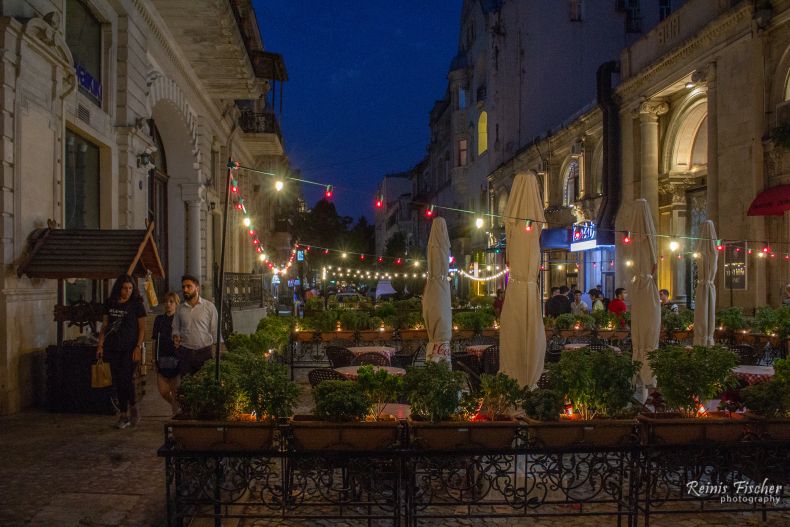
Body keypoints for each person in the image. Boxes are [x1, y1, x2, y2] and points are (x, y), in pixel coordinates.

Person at [96, 274, 146, 429]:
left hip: (130, 348)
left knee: (126, 379)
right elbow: (105, 326)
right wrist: (100, 345)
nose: (128, 291)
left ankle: (133, 407)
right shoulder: (110, 303)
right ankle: (124, 414)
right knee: (118, 380)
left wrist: (138, 346)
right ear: (119, 288)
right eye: (125, 288)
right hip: (113, 347)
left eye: (130, 288)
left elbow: (142, 328)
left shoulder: (137, 304)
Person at [172, 274, 218, 377]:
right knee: (186, 386)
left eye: (189, 286)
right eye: (183, 287)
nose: (185, 289)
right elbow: (175, 328)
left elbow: (215, 331)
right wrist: (176, 336)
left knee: (204, 386)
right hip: (185, 353)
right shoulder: (180, 309)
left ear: (197, 288)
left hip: (204, 353)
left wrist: (218, 353)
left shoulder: (209, 307)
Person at [153, 292, 181, 416]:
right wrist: (154, 359)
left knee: (175, 391)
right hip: (162, 359)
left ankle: (176, 416)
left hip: (176, 359)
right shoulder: (159, 319)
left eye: (171, 302)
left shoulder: (179, 320)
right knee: (163, 391)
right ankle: (178, 407)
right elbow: (155, 340)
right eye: (167, 302)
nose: (168, 304)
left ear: (176, 304)